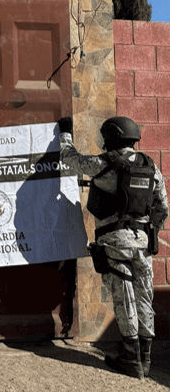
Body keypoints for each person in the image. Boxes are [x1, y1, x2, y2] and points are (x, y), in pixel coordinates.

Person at [58, 115, 168, 378]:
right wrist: (148, 231)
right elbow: (162, 206)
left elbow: (70, 159)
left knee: (124, 297)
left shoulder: (105, 163)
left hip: (114, 240)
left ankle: (130, 359)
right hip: (142, 243)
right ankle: (146, 357)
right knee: (144, 296)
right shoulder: (150, 166)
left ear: (111, 138)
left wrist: (65, 135)